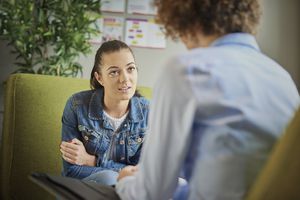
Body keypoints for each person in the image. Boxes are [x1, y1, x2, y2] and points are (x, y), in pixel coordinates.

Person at [114, 0, 300, 200]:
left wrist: (124, 181)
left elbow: (150, 193)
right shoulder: (282, 78)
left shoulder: (187, 70)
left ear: (186, 19)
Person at [59, 40, 149, 186]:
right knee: (109, 179)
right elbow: (71, 170)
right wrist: (121, 173)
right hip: (82, 188)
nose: (125, 79)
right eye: (114, 72)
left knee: (179, 183)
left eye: (130, 69)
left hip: (131, 190)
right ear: (99, 77)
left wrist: (91, 161)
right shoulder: (77, 105)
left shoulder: (148, 113)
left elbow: (144, 173)